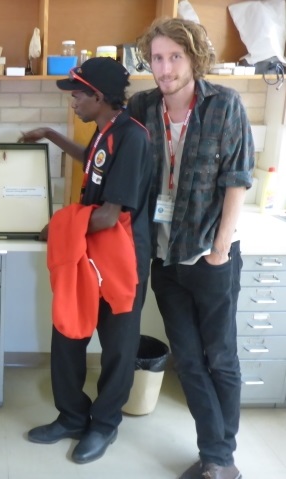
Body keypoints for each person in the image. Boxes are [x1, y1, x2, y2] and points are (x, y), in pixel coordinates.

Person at [130, 18, 254, 479]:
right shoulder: (143, 107)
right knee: (187, 359)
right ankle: (215, 456)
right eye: (157, 58)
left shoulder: (225, 105)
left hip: (210, 255)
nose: (164, 68)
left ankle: (221, 458)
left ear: (194, 57)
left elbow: (238, 179)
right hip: (165, 258)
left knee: (220, 356)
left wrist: (220, 250)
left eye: (174, 57)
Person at [19, 57, 155, 464]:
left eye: (77, 94)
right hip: (89, 253)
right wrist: (51, 135)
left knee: (117, 348)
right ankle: (72, 417)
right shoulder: (104, 131)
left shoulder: (133, 137)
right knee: (68, 335)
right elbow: (95, 166)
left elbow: (110, 214)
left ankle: (104, 425)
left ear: (98, 96)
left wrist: (59, 226)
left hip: (121, 261)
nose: (72, 100)